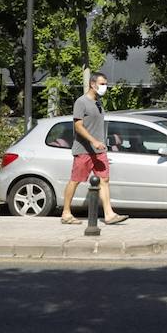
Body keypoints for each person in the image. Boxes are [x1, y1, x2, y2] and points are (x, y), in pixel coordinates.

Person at [61, 70, 128, 225]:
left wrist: (102, 142)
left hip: (99, 151)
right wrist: (93, 141)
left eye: (106, 84)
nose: (105, 87)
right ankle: (66, 213)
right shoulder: (81, 102)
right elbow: (78, 126)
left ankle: (109, 214)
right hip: (83, 150)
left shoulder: (98, 102)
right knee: (75, 180)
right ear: (92, 84)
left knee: (104, 179)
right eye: (102, 84)